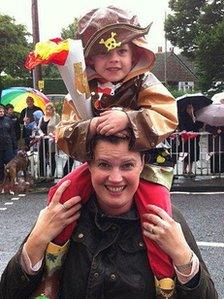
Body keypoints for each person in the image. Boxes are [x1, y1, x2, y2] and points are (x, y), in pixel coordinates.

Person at [0, 134, 218, 298]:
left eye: (127, 165)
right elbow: (9, 292)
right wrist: (37, 239)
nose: (116, 178)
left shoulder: (167, 219)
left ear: (142, 164)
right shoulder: (60, 214)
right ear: (89, 166)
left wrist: (183, 257)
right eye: (104, 164)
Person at [54, 5, 178, 282]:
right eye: (104, 52)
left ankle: (164, 281)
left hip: (146, 168)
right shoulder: (79, 91)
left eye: (121, 51)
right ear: (90, 59)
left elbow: (167, 116)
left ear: (135, 53)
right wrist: (91, 127)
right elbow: (63, 134)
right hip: (99, 167)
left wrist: (129, 119)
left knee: (157, 215)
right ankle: (51, 272)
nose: (114, 59)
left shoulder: (146, 82)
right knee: (59, 195)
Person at [178, 104, 203, 177]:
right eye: (189, 107)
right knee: (185, 153)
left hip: (194, 139)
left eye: (191, 108)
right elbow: (181, 125)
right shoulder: (183, 116)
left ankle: (190, 170)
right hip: (185, 139)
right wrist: (184, 131)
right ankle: (184, 170)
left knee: (192, 154)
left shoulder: (196, 116)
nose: (190, 109)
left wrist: (193, 117)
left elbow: (199, 126)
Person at [37, 102, 60, 177]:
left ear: (53, 110)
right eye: (47, 109)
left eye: (50, 109)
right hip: (43, 139)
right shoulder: (42, 117)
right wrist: (41, 134)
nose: (48, 111)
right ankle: (42, 175)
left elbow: (59, 127)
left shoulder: (56, 117)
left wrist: (53, 134)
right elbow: (39, 128)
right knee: (41, 157)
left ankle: (51, 175)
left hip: (51, 140)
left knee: (52, 157)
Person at [0, 105, 17, 183]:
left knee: (10, 164)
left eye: (3, 111)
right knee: (0, 165)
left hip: (8, 145)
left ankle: (11, 181)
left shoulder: (8, 120)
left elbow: (12, 133)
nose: (2, 113)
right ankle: (1, 181)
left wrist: (15, 146)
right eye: (0, 111)